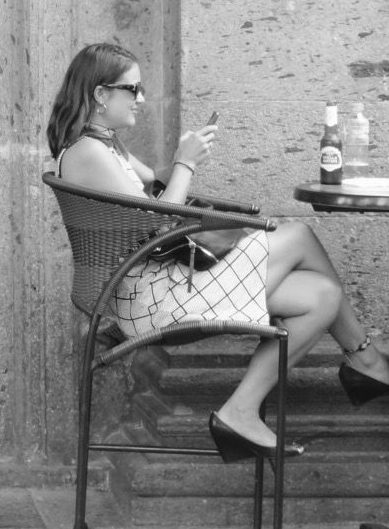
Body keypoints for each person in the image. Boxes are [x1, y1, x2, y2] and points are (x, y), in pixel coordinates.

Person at [47, 41, 389, 462]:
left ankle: (240, 411)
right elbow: (159, 221)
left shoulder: (106, 145)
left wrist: (187, 156)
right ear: (101, 94)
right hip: (149, 299)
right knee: (298, 233)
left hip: (156, 284)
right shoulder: (88, 152)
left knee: (322, 295)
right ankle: (366, 360)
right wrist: (186, 165)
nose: (142, 98)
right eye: (132, 89)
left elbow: (153, 182)